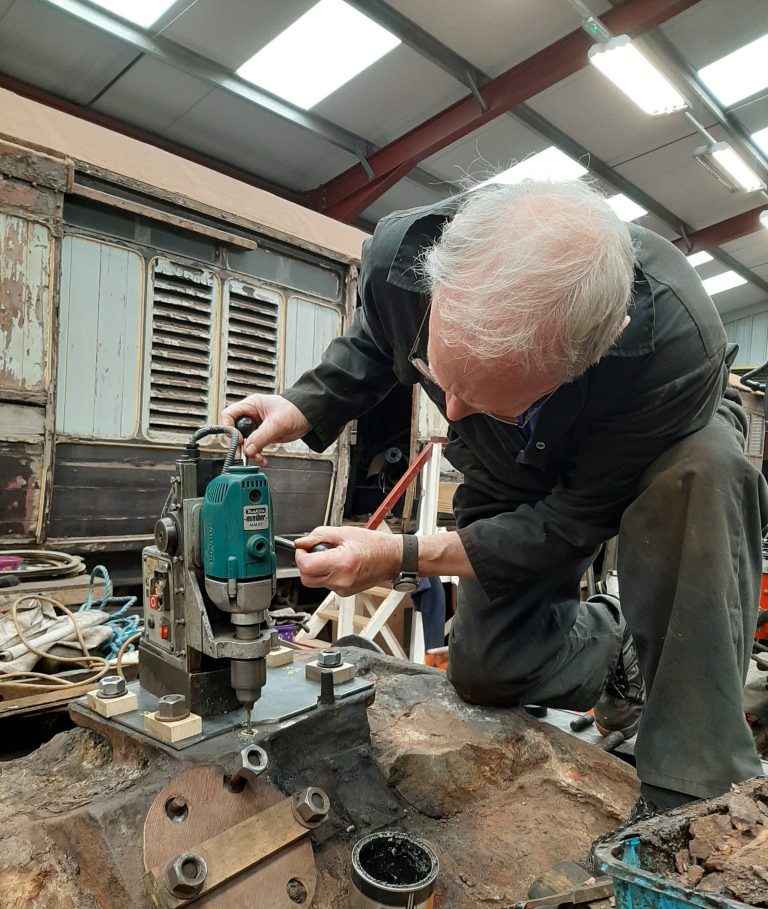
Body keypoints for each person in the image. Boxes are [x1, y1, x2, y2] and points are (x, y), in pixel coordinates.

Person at [222, 178, 767, 819]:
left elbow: (568, 527)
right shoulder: (402, 258)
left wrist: (400, 554)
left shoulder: (676, 350)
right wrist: (304, 403)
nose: (449, 411)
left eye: (480, 397)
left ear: (596, 344)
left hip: (653, 447)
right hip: (508, 459)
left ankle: (691, 788)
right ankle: (619, 650)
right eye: (443, 379)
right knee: (488, 670)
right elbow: (378, 339)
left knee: (701, 475)